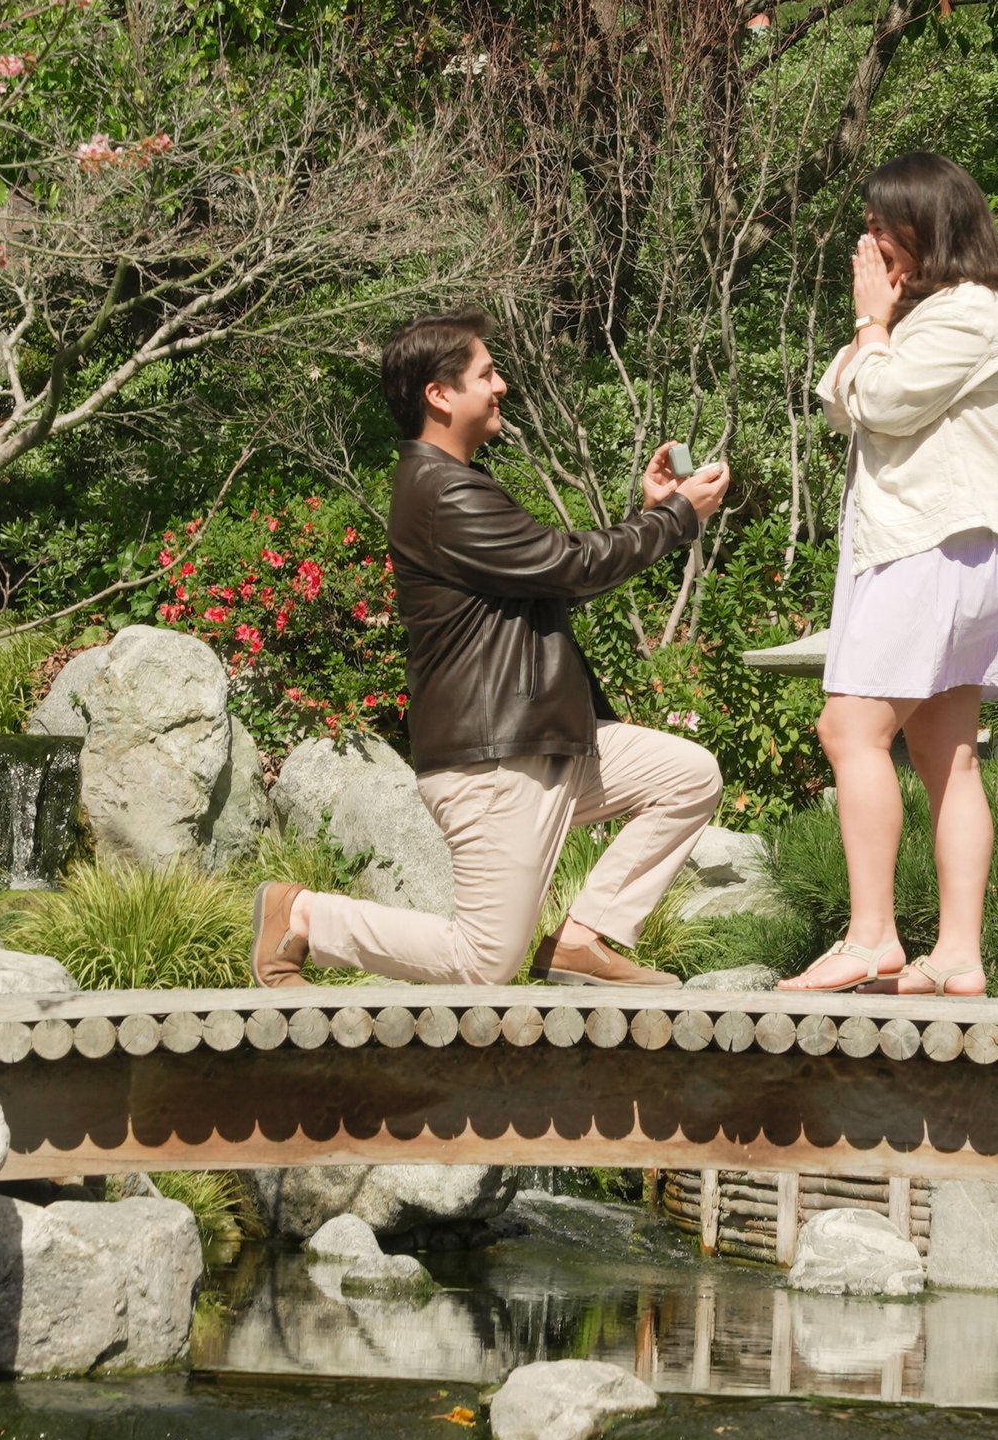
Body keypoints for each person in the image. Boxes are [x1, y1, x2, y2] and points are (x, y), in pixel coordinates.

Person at [252, 315, 730, 990]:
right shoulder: (441, 493)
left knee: (687, 777)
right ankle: (301, 917)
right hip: (496, 760)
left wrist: (654, 514)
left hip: (543, 741)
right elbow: (569, 565)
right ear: (440, 395)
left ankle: (582, 941)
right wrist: (675, 516)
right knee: (484, 963)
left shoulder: (454, 484)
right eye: (486, 374)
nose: (501, 385)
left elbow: (554, 572)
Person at [785, 154, 998, 1000]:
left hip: (933, 548)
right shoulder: (937, 314)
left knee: (848, 730)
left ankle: (872, 937)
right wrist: (878, 329)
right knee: (947, 755)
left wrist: (872, 323)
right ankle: (959, 958)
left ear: (929, 225)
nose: (869, 244)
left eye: (882, 226)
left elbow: (883, 399)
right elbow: (841, 398)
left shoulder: (970, 311)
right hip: (952, 549)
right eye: (867, 227)